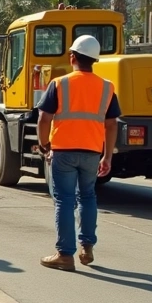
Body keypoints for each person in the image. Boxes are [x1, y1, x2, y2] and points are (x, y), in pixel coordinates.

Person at [36, 35, 121, 271]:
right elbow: (112, 123)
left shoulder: (59, 83)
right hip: (92, 152)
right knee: (88, 197)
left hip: (63, 151)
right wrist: (108, 156)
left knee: (64, 200)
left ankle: (65, 254)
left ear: (72, 57)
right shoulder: (107, 87)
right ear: (94, 60)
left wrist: (44, 145)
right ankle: (87, 246)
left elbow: (44, 118)